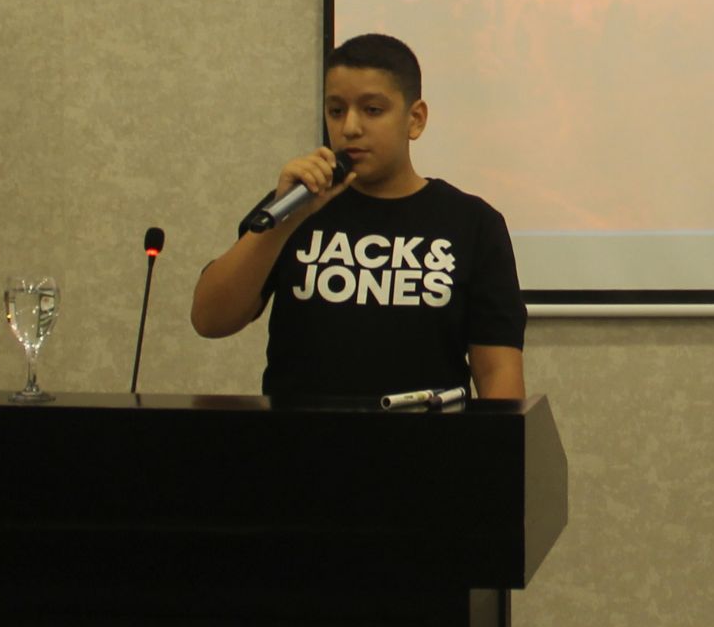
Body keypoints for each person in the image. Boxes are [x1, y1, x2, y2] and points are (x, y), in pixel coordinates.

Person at [189, 33, 526, 401]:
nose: (350, 127)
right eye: (336, 111)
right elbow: (210, 319)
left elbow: (497, 371)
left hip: (427, 435)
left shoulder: (472, 223)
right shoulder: (294, 206)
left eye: (372, 110)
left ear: (415, 119)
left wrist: (500, 437)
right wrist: (284, 223)